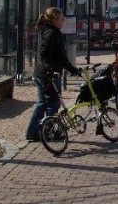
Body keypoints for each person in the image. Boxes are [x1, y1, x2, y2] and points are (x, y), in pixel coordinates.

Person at [25, 7, 81, 141]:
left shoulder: (51, 31)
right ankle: (47, 133)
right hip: (48, 75)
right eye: (62, 19)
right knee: (53, 104)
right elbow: (44, 55)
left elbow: (60, 57)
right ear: (55, 19)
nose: (63, 21)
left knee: (42, 103)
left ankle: (32, 133)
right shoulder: (52, 33)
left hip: (42, 73)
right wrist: (51, 71)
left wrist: (72, 70)